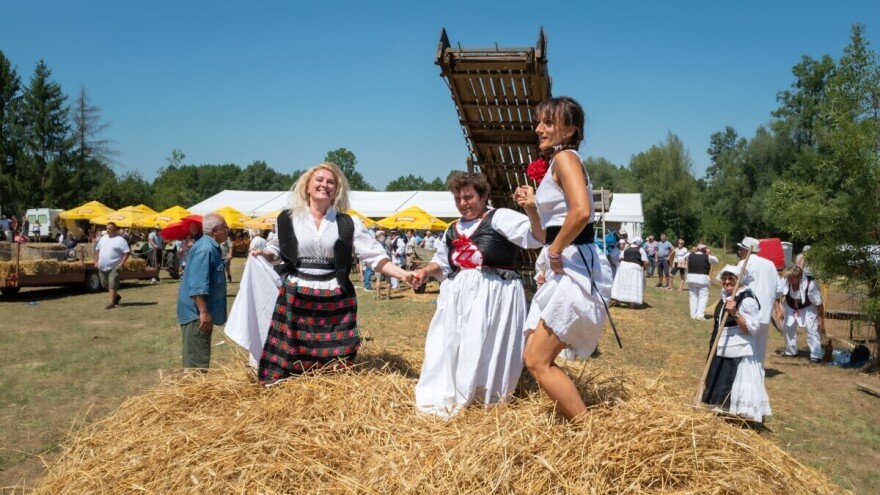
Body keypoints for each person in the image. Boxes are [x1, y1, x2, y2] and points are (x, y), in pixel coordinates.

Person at [249, 162, 414, 385]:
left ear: (336, 190)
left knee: (334, 359)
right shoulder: (288, 219)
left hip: (334, 295)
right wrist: (264, 254)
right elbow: (277, 248)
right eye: (319, 180)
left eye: (331, 182)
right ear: (307, 186)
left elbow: (374, 256)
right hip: (297, 293)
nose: (324, 185)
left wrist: (402, 274)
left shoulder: (348, 222)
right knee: (292, 353)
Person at [513, 96, 614, 422]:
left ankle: (588, 431)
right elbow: (543, 234)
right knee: (534, 357)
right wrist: (531, 207)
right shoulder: (559, 162)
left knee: (537, 360)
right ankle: (581, 424)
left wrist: (555, 251)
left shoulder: (567, 158)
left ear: (570, 131)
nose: (539, 128)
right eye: (539, 122)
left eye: (548, 122)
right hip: (565, 263)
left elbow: (582, 212)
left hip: (573, 264)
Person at [413, 172, 542, 418]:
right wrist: (425, 271)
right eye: (458, 198)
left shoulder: (500, 217)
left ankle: (483, 397)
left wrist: (532, 210)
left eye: (468, 197)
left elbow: (537, 238)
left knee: (485, 345)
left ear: (484, 196)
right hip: (457, 297)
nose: (463, 203)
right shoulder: (452, 228)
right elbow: (442, 261)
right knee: (450, 343)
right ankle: (452, 391)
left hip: (495, 294)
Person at [701, 265, 771, 423]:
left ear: (740, 279)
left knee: (732, 379)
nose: (726, 282)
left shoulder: (746, 299)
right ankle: (717, 408)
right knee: (717, 375)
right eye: (724, 278)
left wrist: (735, 313)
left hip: (739, 349)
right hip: (722, 345)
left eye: (731, 278)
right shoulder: (726, 294)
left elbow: (751, 329)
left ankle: (732, 414)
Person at [177, 213, 229, 369]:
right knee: (196, 365)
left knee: (199, 359)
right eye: (225, 227)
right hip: (196, 315)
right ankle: (191, 393)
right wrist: (204, 312)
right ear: (215, 231)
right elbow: (197, 285)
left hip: (199, 313)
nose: (228, 230)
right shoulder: (205, 249)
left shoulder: (210, 247)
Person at [736, 236, 780, 367]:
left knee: (746, 344)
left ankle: (746, 373)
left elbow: (736, 286)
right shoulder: (770, 264)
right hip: (765, 312)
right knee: (760, 346)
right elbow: (779, 289)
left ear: (745, 250)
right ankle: (758, 371)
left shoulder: (743, 264)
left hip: (747, 311)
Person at [774, 266, 825, 361]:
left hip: (808, 307)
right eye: (788, 277)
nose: (789, 279)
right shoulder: (785, 281)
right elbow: (777, 296)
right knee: (787, 327)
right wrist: (778, 310)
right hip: (790, 306)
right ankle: (791, 352)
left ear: (798, 277)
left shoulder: (811, 284)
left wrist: (820, 318)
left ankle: (816, 355)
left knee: (812, 328)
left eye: (791, 277)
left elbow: (819, 304)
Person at [94, 222, 131, 310]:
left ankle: (112, 303)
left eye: (109, 229)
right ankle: (116, 296)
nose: (107, 230)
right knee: (104, 284)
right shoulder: (103, 238)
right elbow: (98, 250)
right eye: (107, 228)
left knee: (112, 285)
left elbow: (127, 252)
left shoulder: (120, 240)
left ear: (115, 230)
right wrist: (96, 261)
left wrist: (121, 264)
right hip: (102, 266)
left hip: (114, 267)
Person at [611, 239, 648, 308]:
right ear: (639, 243)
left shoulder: (626, 248)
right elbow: (645, 261)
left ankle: (618, 300)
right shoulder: (640, 249)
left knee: (622, 282)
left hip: (624, 266)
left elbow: (620, 258)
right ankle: (632, 303)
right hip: (634, 268)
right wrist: (645, 268)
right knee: (633, 283)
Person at [685, 244, 719, 319]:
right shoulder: (707, 256)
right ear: (704, 250)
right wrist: (710, 253)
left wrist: (691, 251)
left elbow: (684, 256)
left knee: (693, 297)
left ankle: (693, 315)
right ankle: (700, 315)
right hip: (702, 279)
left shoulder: (690, 255)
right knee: (703, 297)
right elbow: (716, 261)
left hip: (691, 278)